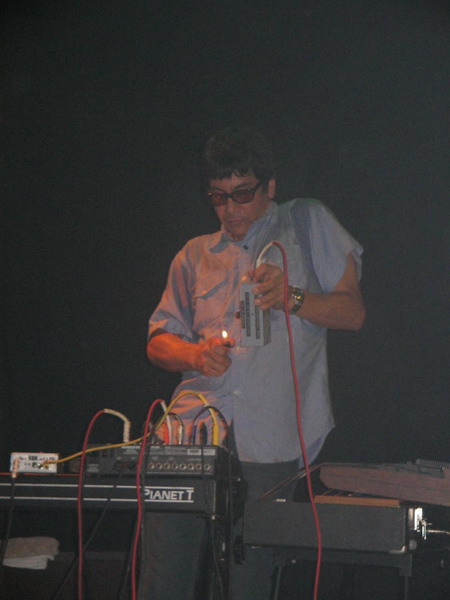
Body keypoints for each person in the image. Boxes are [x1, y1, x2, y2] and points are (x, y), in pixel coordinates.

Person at [141, 127, 366, 599]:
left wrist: (292, 297)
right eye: (218, 197)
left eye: (243, 194)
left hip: (271, 435)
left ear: (271, 186)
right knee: (164, 578)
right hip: (190, 431)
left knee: (249, 581)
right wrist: (195, 354)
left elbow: (353, 313)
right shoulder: (194, 254)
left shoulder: (306, 222)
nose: (230, 209)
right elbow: (158, 342)